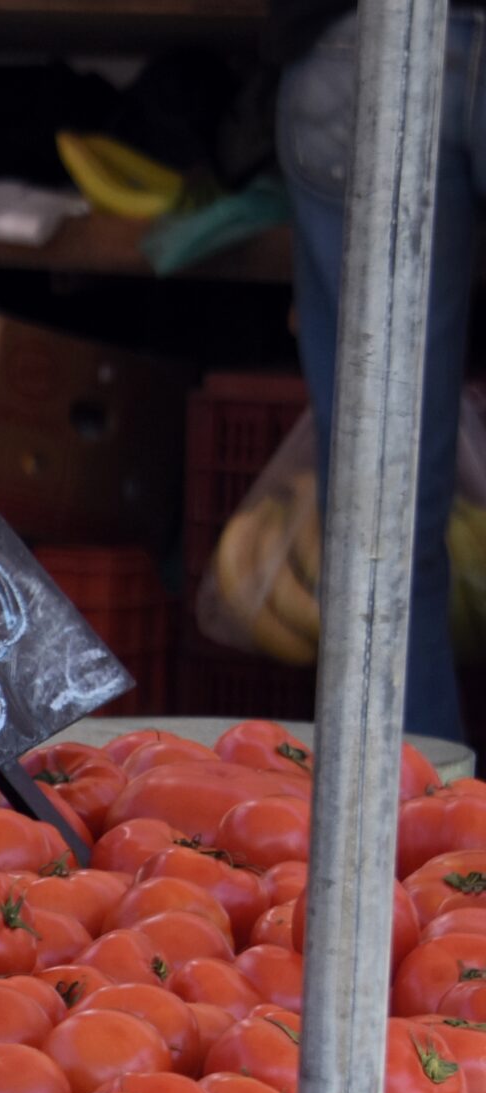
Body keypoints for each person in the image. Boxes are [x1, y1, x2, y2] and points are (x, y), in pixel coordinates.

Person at [272, 0, 477, 740]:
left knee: (382, 521)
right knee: (381, 521)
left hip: (357, 44)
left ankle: (412, 825)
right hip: (364, 53)